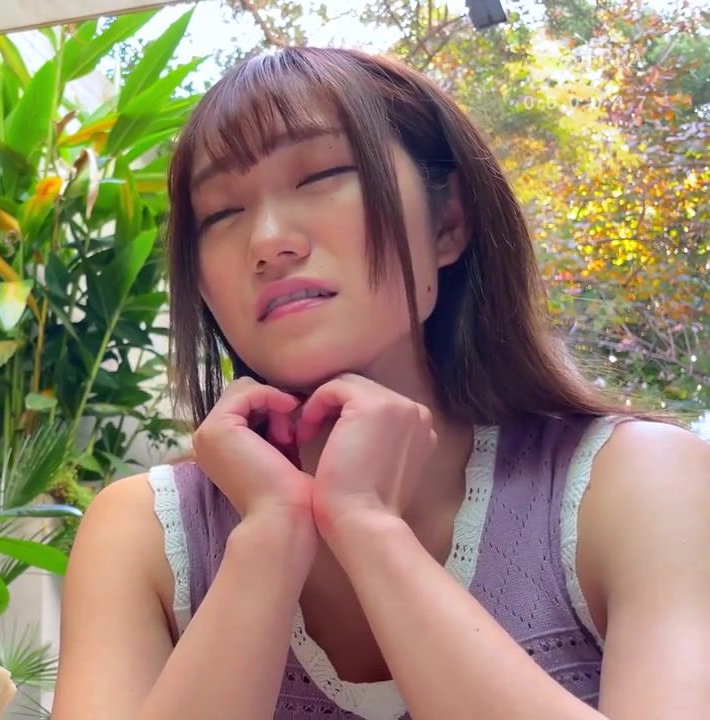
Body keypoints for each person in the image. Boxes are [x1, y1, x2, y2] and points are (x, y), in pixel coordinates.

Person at [52, 47, 710, 720]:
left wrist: (367, 527)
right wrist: (269, 537)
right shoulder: (145, 534)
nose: (268, 241)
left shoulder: (636, 483)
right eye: (220, 214)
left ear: (447, 222)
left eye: (322, 176)